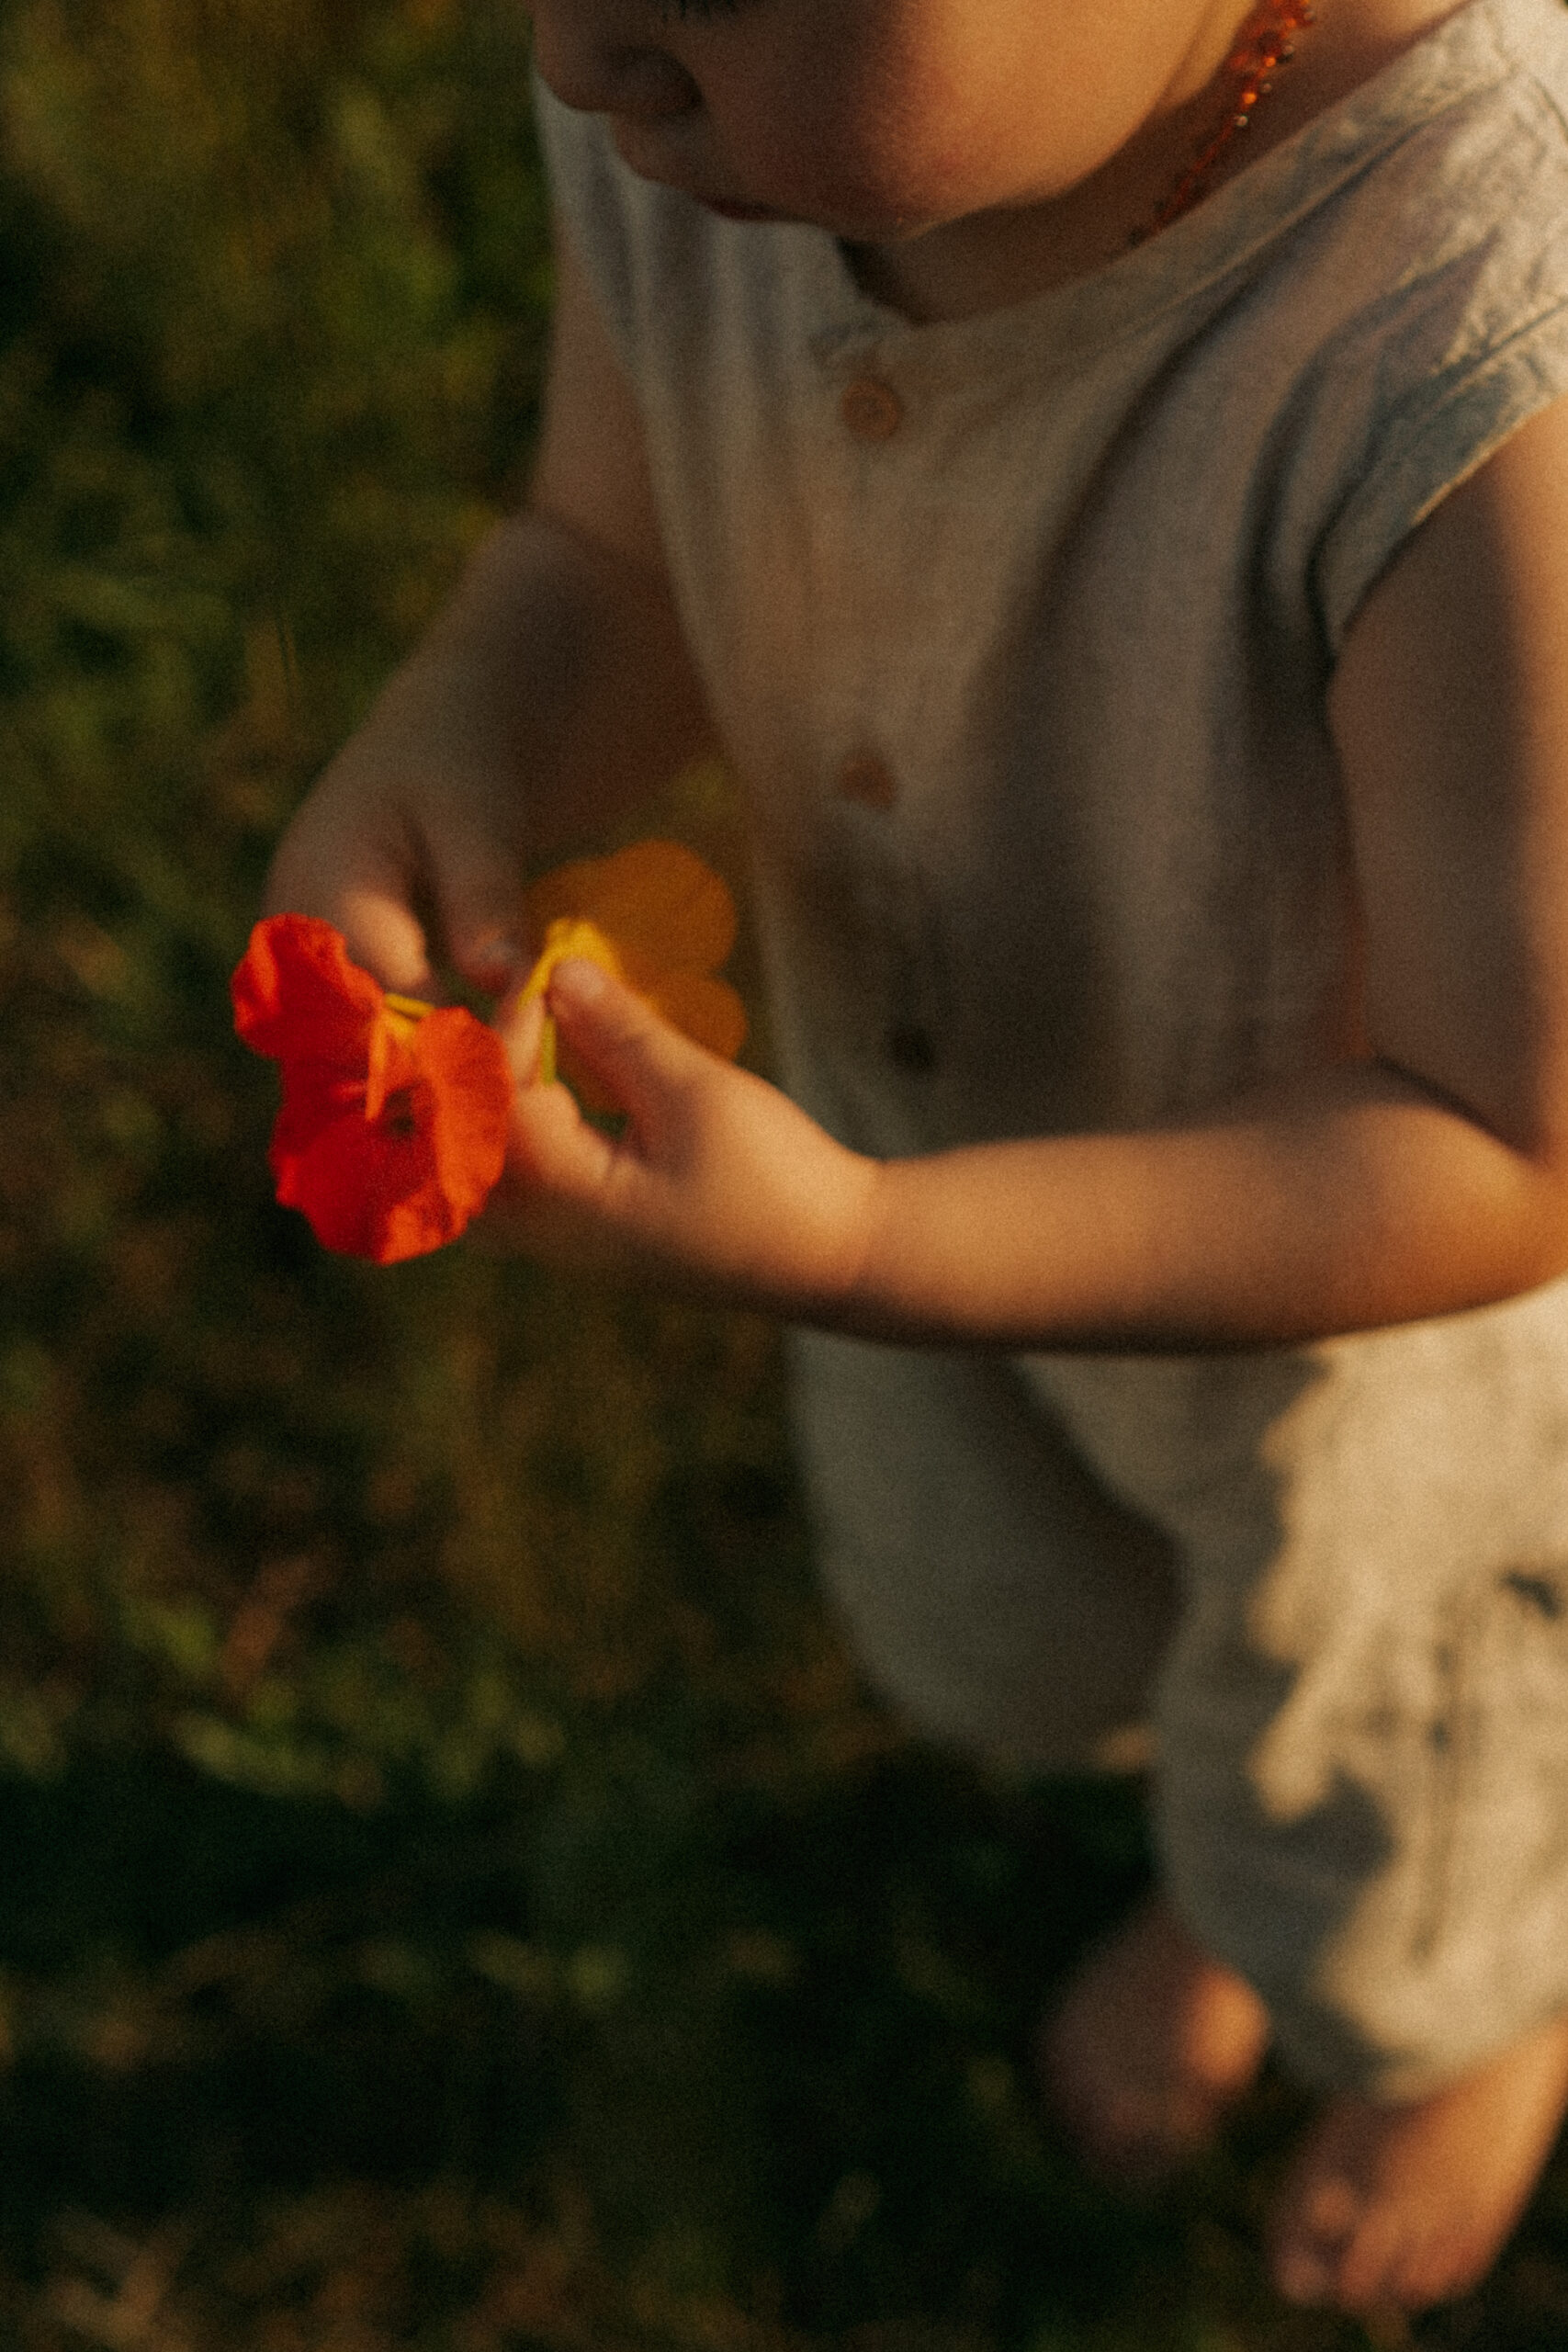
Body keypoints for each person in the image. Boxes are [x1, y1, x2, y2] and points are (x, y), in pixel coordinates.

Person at [265, 0, 1568, 2313]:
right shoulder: (701, 134)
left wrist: (871, 1239)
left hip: (1332, 1337)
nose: (581, 68)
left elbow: (1500, 1131)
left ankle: (1456, 2028)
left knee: (1361, 1766)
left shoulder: (1468, 334)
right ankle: (1203, 1870)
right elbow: (608, 551)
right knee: (1006, 1629)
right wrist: (457, 722)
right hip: (893, 1133)